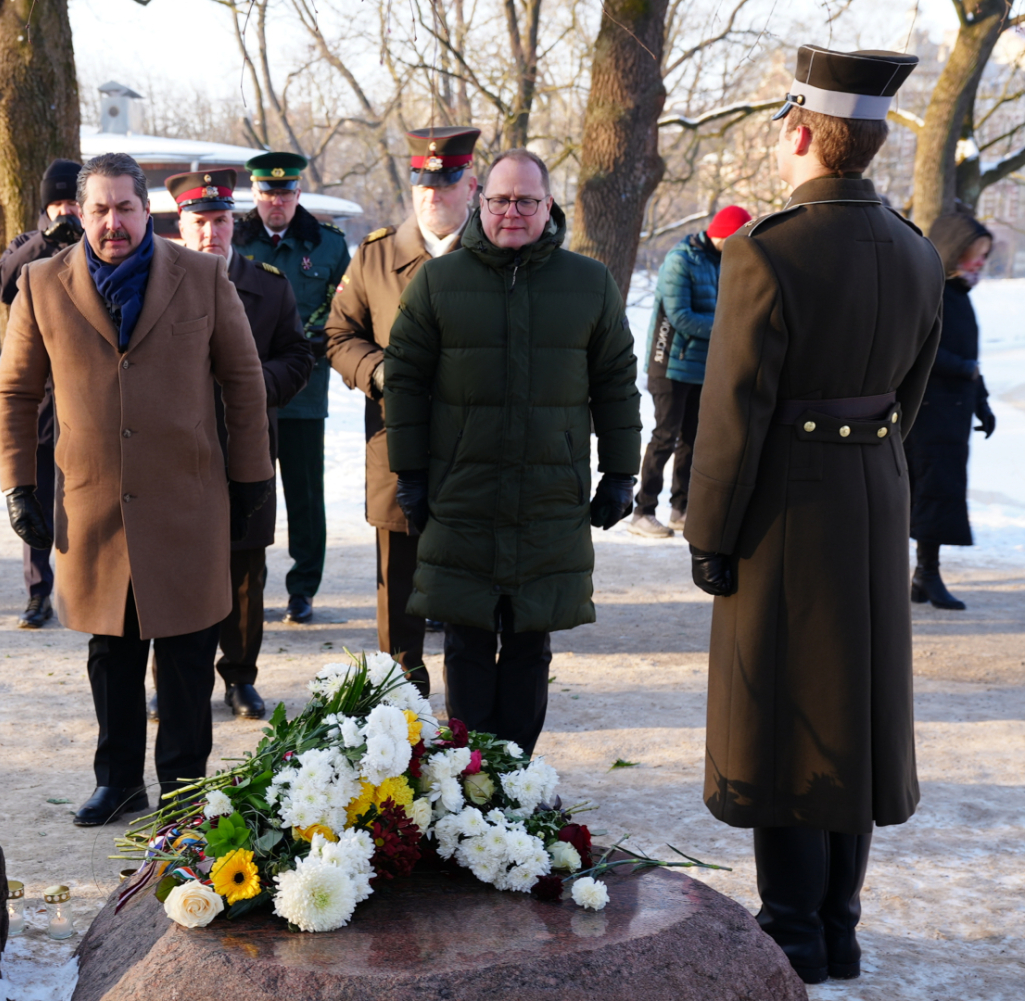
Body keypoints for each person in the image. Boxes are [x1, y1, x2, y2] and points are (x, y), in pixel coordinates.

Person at [683, 46, 941, 985]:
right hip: (874, 500)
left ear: (800, 131)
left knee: (786, 711)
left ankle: (793, 929)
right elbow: (906, 399)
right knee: (857, 705)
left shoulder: (767, 247)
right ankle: (839, 924)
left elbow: (733, 413)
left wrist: (711, 534)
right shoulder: (918, 250)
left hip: (782, 509)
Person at [0, 154, 273, 827]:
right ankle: (117, 781)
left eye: (125, 207)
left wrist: (254, 481)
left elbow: (242, 382)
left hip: (187, 502)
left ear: (150, 212)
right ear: (79, 213)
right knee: (110, 654)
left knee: (184, 658)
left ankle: (181, 792)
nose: (113, 222)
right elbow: (16, 390)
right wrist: (18, 485)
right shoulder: (40, 284)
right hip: (92, 506)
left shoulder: (202, 277)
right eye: (100, 209)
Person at [384, 149, 641, 756]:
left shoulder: (589, 283)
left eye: (527, 200)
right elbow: (405, 381)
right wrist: (411, 474)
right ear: (481, 201)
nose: (512, 212)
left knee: (530, 643)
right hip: (463, 495)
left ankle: (518, 775)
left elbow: (616, 382)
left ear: (547, 205)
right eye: (500, 200)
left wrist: (621, 471)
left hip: (547, 499)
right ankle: (472, 776)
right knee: (467, 642)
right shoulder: (440, 281)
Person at [326, 126, 482, 695]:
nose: (432, 195)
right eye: (423, 183)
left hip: (476, 450)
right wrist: (380, 371)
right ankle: (402, 703)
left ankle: (470, 709)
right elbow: (339, 334)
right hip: (396, 447)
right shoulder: (375, 255)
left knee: (470, 584)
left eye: (446, 184)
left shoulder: (496, 251)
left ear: (471, 184)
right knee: (398, 587)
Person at [165, 169, 314, 720]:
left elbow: (298, 357)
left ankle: (240, 678)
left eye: (222, 221)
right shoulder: (158, 284)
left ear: (234, 224)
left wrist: (251, 388)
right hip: (177, 452)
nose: (212, 233)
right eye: (200, 222)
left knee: (246, 569)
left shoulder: (269, 286)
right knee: (175, 567)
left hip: (247, 446)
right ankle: (178, 679)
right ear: (181, 226)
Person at [234, 151, 350, 624]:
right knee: (244, 489)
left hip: (303, 393)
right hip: (242, 397)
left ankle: (303, 587)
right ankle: (241, 586)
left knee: (304, 494)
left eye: (284, 192)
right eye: (267, 192)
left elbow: (343, 311)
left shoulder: (326, 246)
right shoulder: (234, 239)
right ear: (255, 194)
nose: (275, 201)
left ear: (298, 194)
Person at [0, 158, 84, 629]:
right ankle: (37, 590)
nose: (67, 210)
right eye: (58, 202)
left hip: (88, 396)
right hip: (43, 400)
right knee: (38, 496)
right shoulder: (28, 244)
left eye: (73, 201)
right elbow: (2, 284)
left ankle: (80, 586)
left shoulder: (102, 242)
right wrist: (47, 242)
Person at [630, 205, 751, 538]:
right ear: (724, 234)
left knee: (693, 440)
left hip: (700, 367)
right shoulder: (680, 260)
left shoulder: (721, 261)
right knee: (664, 437)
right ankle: (643, 510)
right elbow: (680, 316)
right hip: (668, 363)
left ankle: (680, 509)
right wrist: (729, 328)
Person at [905, 211, 998, 611]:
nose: (979, 263)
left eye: (984, 256)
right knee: (928, 494)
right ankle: (924, 574)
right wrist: (966, 371)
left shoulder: (959, 296)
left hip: (952, 414)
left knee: (939, 494)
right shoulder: (932, 294)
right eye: (974, 254)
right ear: (952, 252)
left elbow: (968, 358)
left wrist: (983, 402)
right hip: (929, 414)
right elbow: (919, 347)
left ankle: (924, 575)